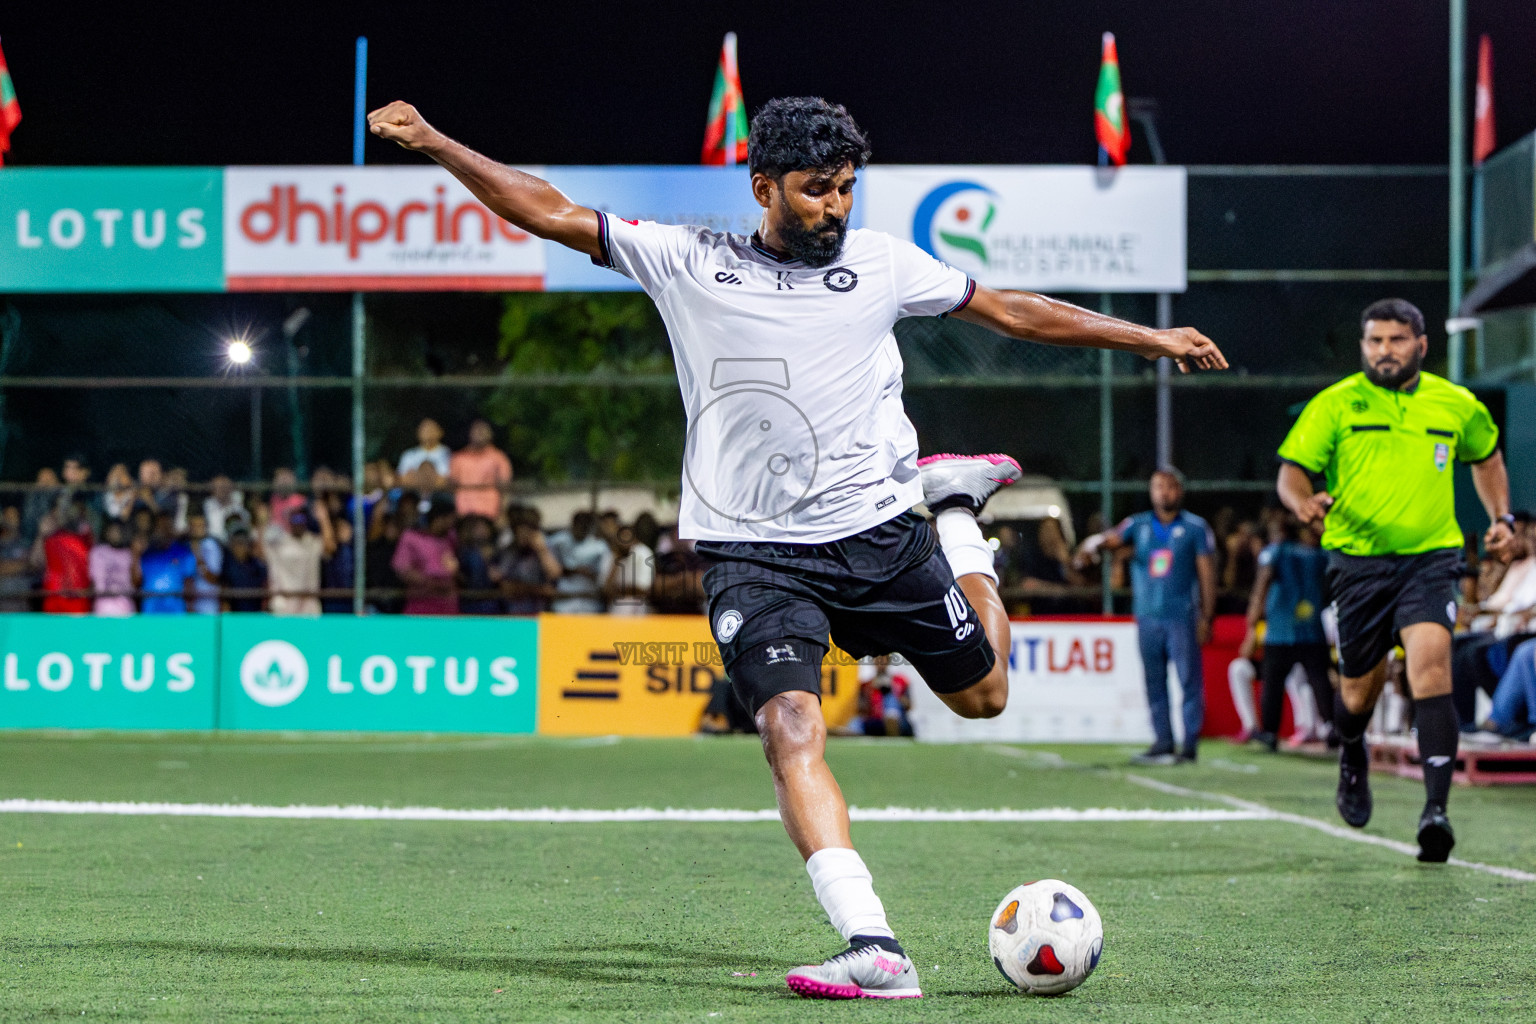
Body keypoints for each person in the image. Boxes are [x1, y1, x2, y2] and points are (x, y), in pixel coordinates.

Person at [370, 92, 1224, 1000]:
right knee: (790, 726)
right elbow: (540, 206)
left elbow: (1012, 311)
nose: (835, 207)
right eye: (817, 190)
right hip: (754, 552)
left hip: (881, 533)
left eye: (847, 188)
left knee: (984, 695)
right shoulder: (688, 260)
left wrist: (1147, 339)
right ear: (763, 185)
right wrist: (431, 141)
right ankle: (874, 945)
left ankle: (961, 514)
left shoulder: (883, 264)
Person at [1276, 297, 1517, 862]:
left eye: (1396, 340)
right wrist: (1302, 503)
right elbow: (1292, 472)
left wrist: (1501, 518)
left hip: (1431, 559)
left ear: (1421, 345)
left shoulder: (1456, 403)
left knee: (1432, 665)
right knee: (1358, 693)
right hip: (1357, 564)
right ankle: (1353, 749)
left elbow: (1487, 458)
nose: (1384, 351)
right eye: (1374, 342)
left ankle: (1436, 812)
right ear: (1363, 346)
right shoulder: (1335, 404)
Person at [1077, 469, 1216, 765]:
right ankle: (1163, 741)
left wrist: (1207, 615)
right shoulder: (1138, 525)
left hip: (1182, 616)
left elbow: (1206, 573)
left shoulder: (1195, 528)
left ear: (1180, 490)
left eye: (1169, 487)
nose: (1164, 493)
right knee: (1155, 681)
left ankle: (1189, 744)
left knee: (1189, 680)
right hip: (1147, 617)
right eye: (1158, 487)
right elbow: (1110, 540)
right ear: (1151, 491)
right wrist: (1092, 546)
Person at [1240, 515, 1333, 749]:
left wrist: (1252, 624)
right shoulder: (1320, 554)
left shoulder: (1275, 552)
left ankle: (1270, 733)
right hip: (1311, 627)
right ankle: (1332, 727)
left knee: (1273, 684)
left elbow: (1263, 582)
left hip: (1281, 630)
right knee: (1320, 680)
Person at [263, 502, 334, 617]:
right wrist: (263, 521)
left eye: (301, 518)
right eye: (294, 518)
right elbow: (261, 553)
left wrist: (323, 518)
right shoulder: (279, 543)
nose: (298, 522)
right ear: (289, 521)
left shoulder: (312, 542)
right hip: (284, 605)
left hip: (309, 606)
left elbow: (330, 547)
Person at [392, 501, 460, 615]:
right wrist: (431, 583)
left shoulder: (451, 538)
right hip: (421, 604)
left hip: (448, 606)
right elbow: (402, 569)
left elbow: (454, 566)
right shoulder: (411, 537)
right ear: (439, 518)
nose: (452, 523)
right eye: (450, 518)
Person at [546, 511, 612, 614]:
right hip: (564, 600)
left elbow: (604, 576)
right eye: (579, 526)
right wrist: (574, 571)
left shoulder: (599, 546)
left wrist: (589, 573)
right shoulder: (559, 540)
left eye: (585, 527)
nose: (581, 530)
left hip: (589, 601)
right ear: (573, 525)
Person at [500, 506, 561, 614]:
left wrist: (542, 551)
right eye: (520, 531)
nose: (524, 535)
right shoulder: (510, 551)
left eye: (528, 531)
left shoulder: (546, 548)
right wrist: (538, 590)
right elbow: (507, 587)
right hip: (515, 613)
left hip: (541, 614)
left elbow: (554, 574)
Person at [449, 419, 513, 520]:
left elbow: (504, 488)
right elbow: (451, 487)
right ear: (470, 433)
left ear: (491, 434)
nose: (480, 433)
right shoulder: (458, 458)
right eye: (477, 430)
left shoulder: (499, 458)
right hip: (463, 514)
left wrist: (502, 514)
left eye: (483, 430)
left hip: (490, 514)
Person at [38, 502, 93, 613]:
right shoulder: (51, 540)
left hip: (78, 601)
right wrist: (42, 535)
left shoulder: (86, 541)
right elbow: (35, 561)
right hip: (54, 600)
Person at [138, 512, 197, 614]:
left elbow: (189, 585)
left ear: (171, 527)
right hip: (150, 613)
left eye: (166, 526)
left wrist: (190, 613)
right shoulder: (146, 554)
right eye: (159, 527)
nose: (162, 530)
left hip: (176, 613)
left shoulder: (184, 552)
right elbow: (137, 581)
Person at [89, 519, 138, 616]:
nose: (115, 534)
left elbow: (135, 582)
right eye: (112, 531)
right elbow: (93, 581)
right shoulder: (97, 552)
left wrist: (136, 556)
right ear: (106, 532)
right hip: (102, 607)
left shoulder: (129, 554)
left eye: (118, 531)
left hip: (125, 607)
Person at [456, 513, 503, 615]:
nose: (482, 530)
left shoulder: (496, 551)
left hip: (491, 602)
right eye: (477, 527)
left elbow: (500, 576)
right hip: (470, 601)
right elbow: (462, 578)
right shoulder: (466, 552)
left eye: (484, 527)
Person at [605, 523, 654, 615]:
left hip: (638, 604)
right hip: (616, 606)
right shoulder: (611, 554)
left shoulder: (643, 553)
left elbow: (643, 590)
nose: (624, 541)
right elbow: (606, 590)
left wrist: (618, 590)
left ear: (634, 539)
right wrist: (616, 561)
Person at [218, 524, 268, 612]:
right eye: (236, 542)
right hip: (234, 617)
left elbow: (265, 588)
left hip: (255, 615)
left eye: (243, 542)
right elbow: (224, 595)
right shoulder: (226, 565)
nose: (240, 547)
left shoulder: (257, 565)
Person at [186, 512, 224, 615]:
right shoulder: (185, 546)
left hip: (208, 606)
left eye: (200, 525)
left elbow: (213, 578)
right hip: (188, 607)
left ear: (206, 527)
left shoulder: (211, 546)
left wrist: (198, 556)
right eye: (193, 525)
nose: (196, 529)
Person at [0, 506, 36, 612]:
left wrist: (24, 565)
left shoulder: (25, 543)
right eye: (8, 517)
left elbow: (33, 565)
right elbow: (2, 569)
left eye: (14, 517)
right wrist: (23, 565)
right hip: (3, 601)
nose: (11, 521)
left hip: (23, 601)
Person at [396, 417, 452, 482]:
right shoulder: (409, 455)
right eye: (424, 429)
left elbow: (446, 481)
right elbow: (402, 479)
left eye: (431, 428)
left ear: (440, 432)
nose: (427, 432)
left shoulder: (448, 454)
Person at [203, 475, 249, 542]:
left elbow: (245, 523)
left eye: (225, 487)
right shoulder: (208, 504)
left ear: (231, 488)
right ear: (212, 490)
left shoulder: (239, 502)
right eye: (219, 488)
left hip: (235, 542)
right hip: (214, 541)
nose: (223, 490)